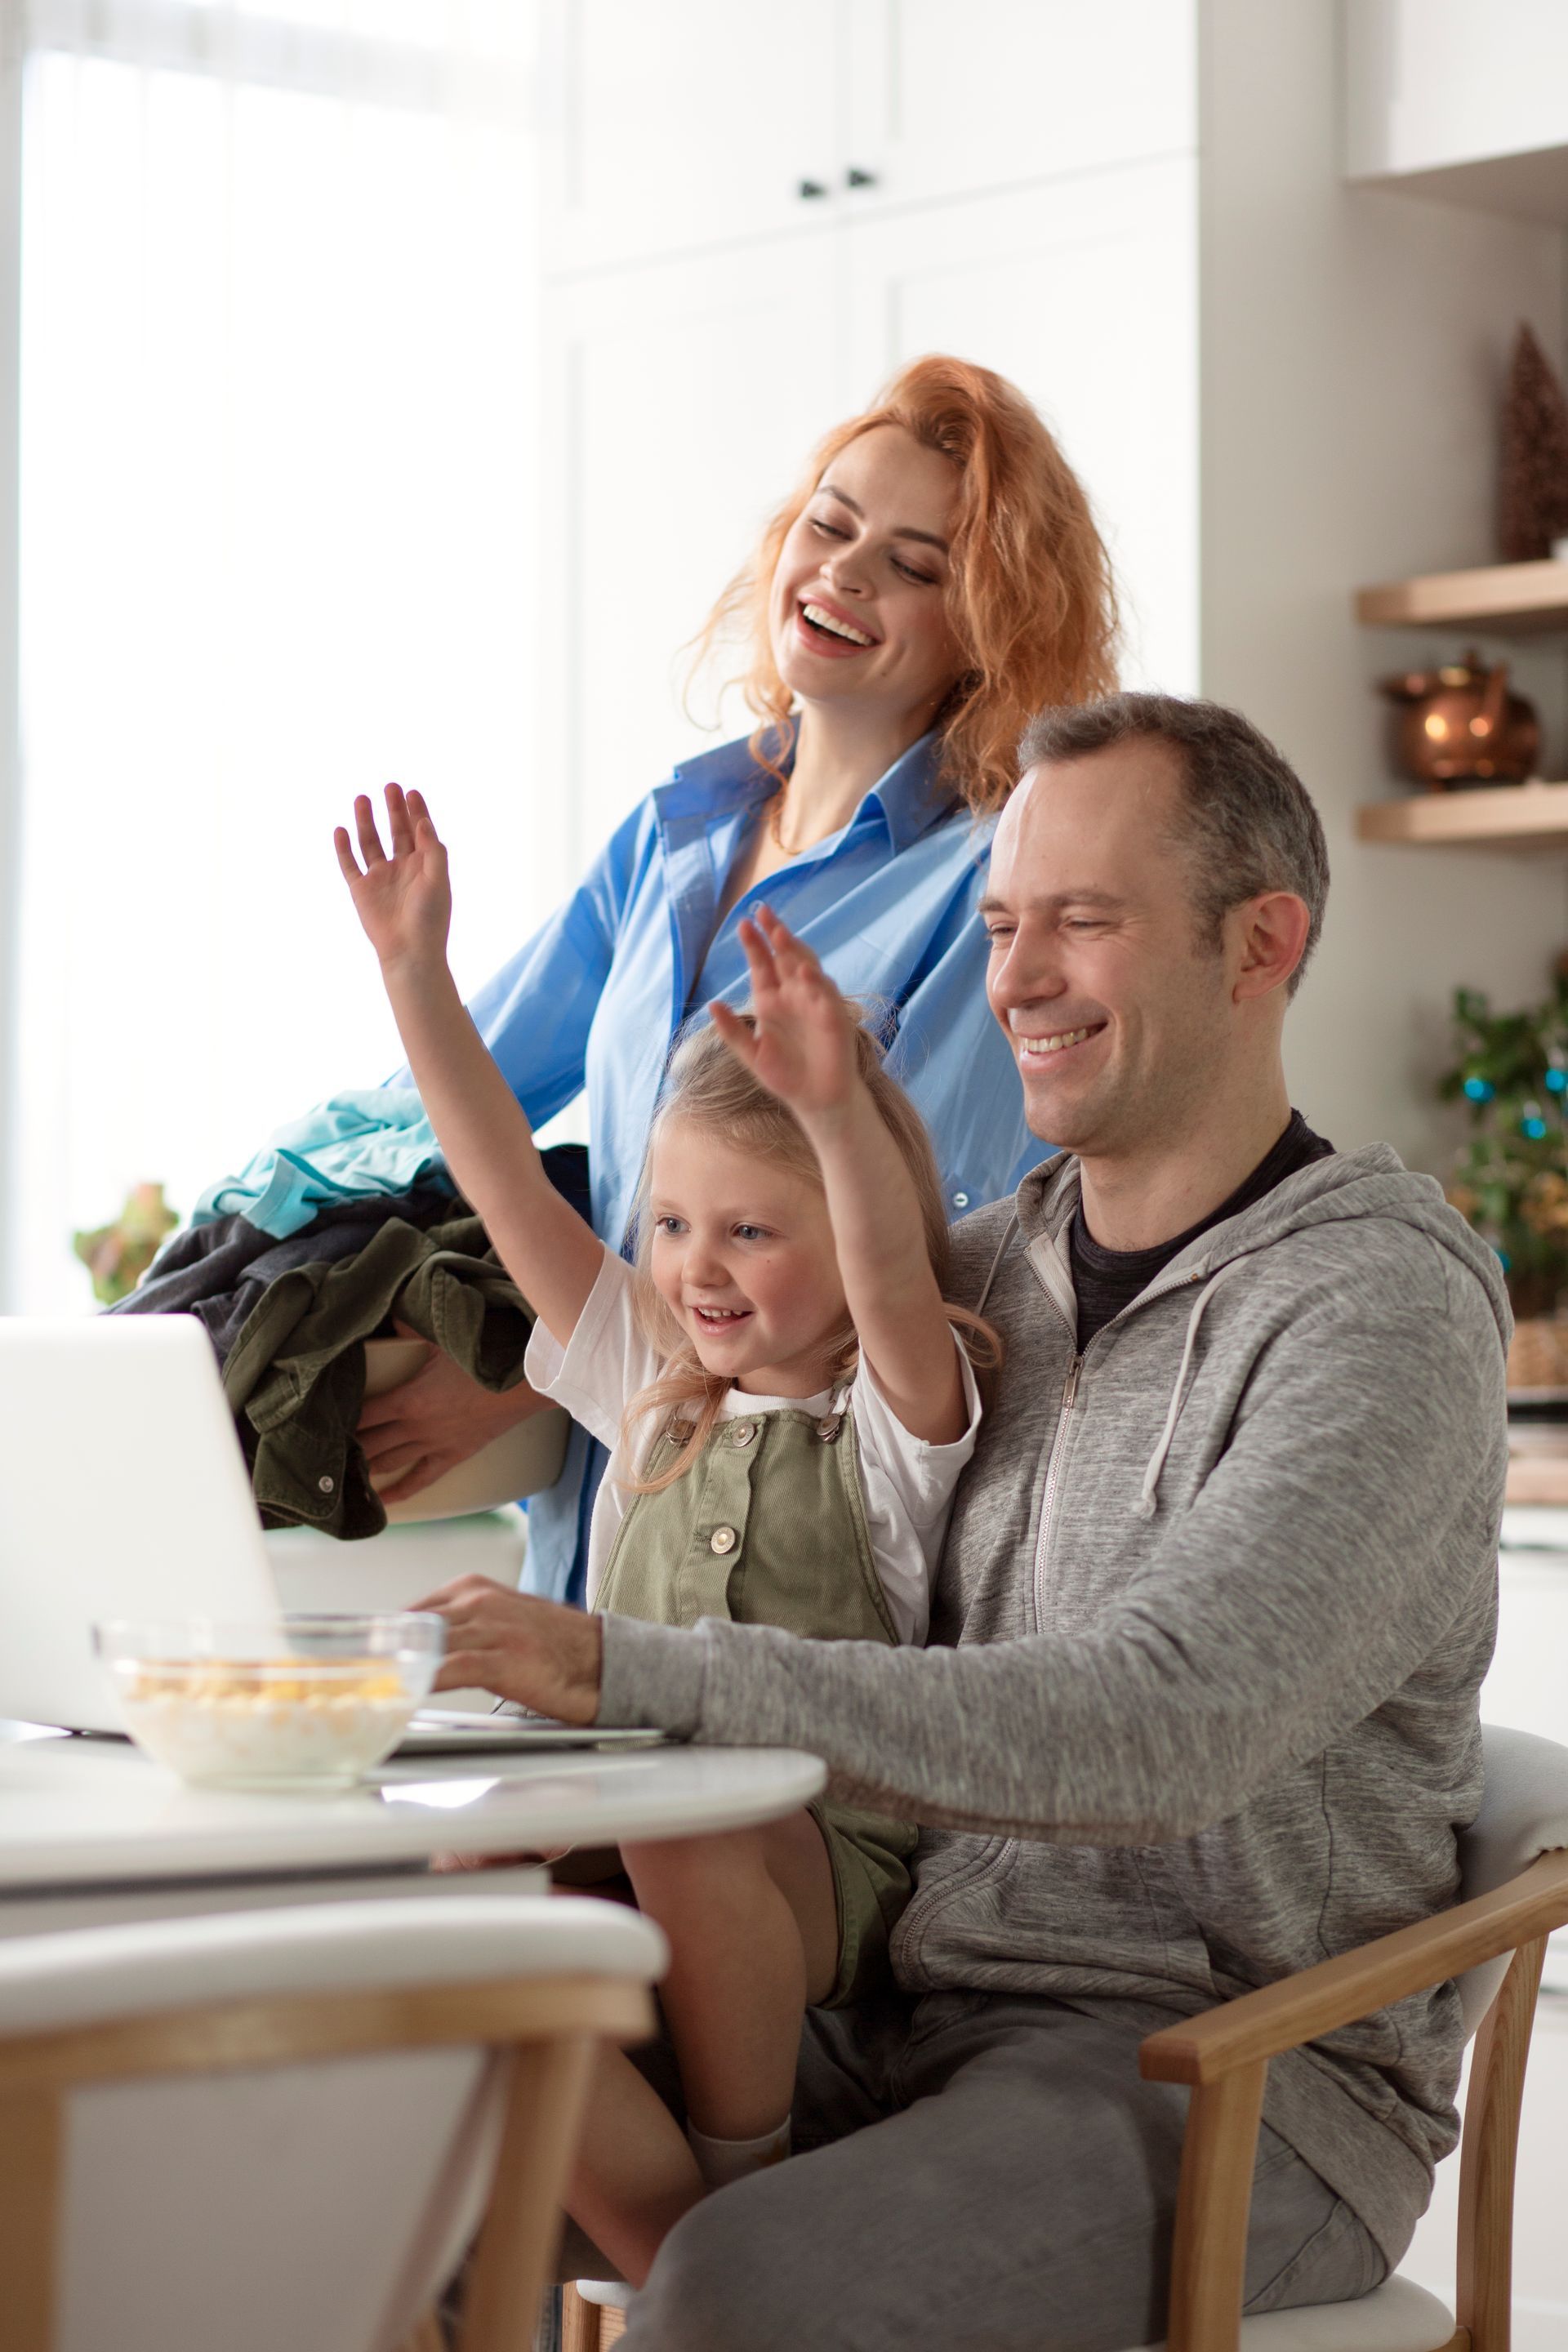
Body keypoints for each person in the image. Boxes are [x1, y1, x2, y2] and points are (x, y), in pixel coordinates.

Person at [408, 691, 1512, 2352]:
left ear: (1260, 943)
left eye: (1084, 922)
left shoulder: (1378, 1312)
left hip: (1215, 2076)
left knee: (742, 2292)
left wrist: (643, 1675)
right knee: (371, 2138)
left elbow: (1160, 1726)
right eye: (1003, 924)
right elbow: (699, 1353)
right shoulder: (980, 1276)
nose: (1018, 979)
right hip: (904, 2007)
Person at [335, 783, 998, 2284]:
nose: (700, 1270)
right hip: (636, 1818)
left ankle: (746, 2178)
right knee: (462, 1901)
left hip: (822, 1852)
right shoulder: (649, 1379)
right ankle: (710, 2268)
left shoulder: (890, 1418)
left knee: (681, 1812)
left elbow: (895, 1277)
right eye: (677, 1225)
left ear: (847, 1232)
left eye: (753, 1233)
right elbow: (503, 1175)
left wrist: (835, 1114)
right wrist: (415, 977)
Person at [359, 354, 1117, 1606]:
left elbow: (918, 1245)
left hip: (818, 1524)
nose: (847, 570)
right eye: (830, 523)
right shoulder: (674, 832)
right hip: (601, 1517)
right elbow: (446, 1112)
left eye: (917, 565)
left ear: (985, 628)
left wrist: (520, 1375)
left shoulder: (986, 882)